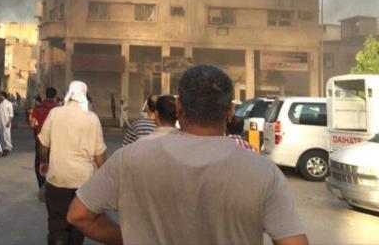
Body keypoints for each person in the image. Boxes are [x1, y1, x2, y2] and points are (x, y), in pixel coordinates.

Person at [67, 65, 308, 245]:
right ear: (230, 112)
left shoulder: (130, 158)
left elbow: (79, 216)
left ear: (180, 107)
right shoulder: (263, 172)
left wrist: (128, 238)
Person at [38, 81, 107, 245]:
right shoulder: (93, 119)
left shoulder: (55, 114)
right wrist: (104, 179)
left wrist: (43, 161)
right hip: (84, 183)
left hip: (57, 179)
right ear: (85, 96)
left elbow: (43, 144)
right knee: (77, 226)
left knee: (57, 223)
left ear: (69, 93)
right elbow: (100, 156)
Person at [30, 87, 58, 200]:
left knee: (39, 164)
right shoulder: (57, 109)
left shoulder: (38, 108)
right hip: (54, 141)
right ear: (55, 96)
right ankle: (51, 186)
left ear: (45, 95)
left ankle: (42, 185)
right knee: (53, 164)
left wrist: (38, 127)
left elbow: (32, 125)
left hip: (41, 140)